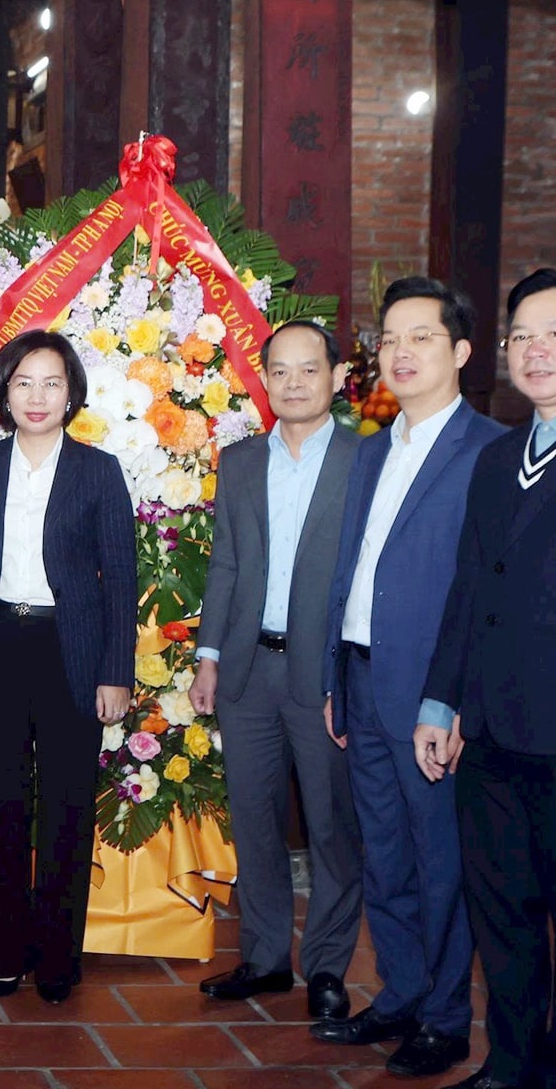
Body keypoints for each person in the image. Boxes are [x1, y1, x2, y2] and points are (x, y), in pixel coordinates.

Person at [420, 269, 556, 1089]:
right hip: (492, 729)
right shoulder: (499, 457)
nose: (535, 350)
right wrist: (443, 699)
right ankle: (508, 1062)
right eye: (522, 336)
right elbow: (468, 588)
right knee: (502, 914)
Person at [312, 277, 505, 1077]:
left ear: (460, 351)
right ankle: (399, 995)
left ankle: (447, 1017)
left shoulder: (489, 451)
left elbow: (487, 590)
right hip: (360, 678)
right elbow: (350, 572)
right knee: (383, 856)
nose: (401, 351)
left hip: (430, 691)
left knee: (439, 861)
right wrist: (333, 673)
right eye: (390, 338)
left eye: (422, 336)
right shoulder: (369, 448)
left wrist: (455, 696)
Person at [0, 330, 134, 1004]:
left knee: (67, 805)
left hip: (70, 648)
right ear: (4, 392)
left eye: (52, 382)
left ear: (72, 392)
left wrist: (116, 672)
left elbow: (119, 578)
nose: (38, 396)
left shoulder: (98, 470)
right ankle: (0, 952)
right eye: (24, 383)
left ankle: (56, 957)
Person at [192, 321, 362, 1020]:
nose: (294, 383)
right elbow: (226, 564)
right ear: (263, 380)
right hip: (246, 671)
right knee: (254, 821)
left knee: (329, 828)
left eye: (308, 370)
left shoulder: (365, 460)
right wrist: (207, 656)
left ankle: (326, 966)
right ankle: (263, 959)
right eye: (280, 372)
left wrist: (351, 677)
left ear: (337, 376)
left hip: (323, 677)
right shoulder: (238, 463)